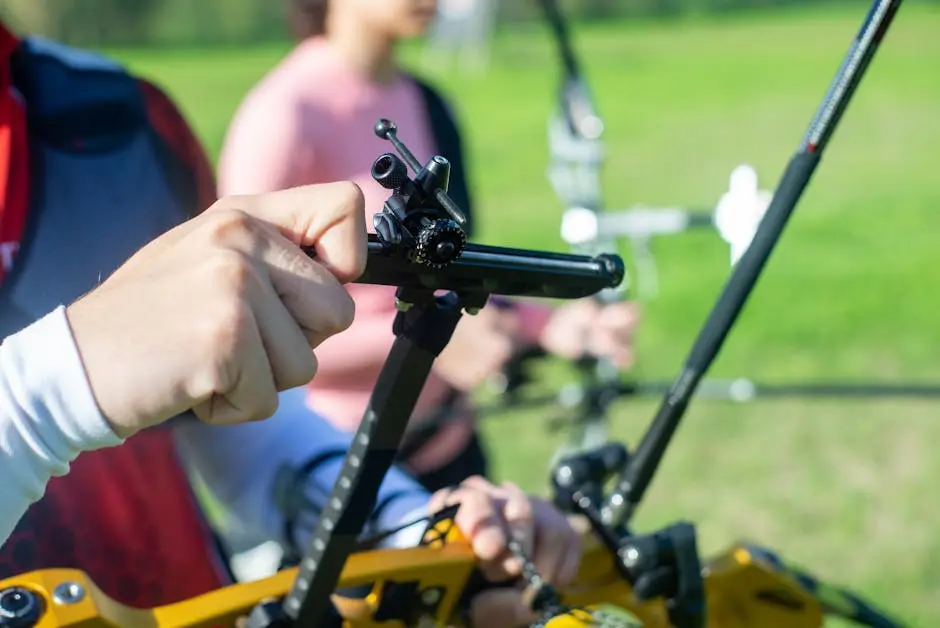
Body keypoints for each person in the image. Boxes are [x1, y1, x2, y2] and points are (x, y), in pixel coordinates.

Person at [0, 24, 582, 626]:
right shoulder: (276, 111)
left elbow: (227, 418)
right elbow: (74, 388)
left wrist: (412, 531)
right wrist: (55, 387)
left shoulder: (116, 116)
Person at [218, 0, 640, 495]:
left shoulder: (425, 101)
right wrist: (423, 339)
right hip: (341, 470)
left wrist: (548, 323)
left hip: (452, 448)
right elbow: (244, 327)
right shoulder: (283, 116)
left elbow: (441, 273)